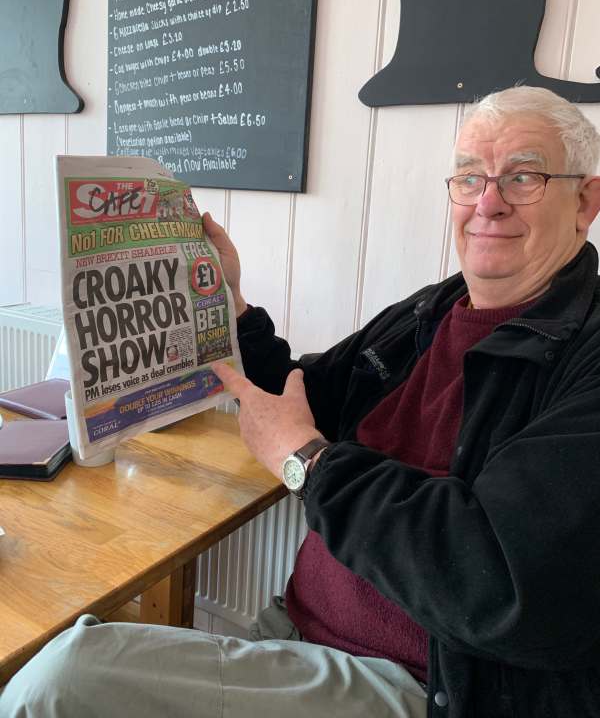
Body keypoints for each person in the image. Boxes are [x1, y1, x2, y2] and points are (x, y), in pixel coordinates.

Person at [2, 85, 600, 718]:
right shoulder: (432, 310)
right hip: (297, 632)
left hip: (422, 685)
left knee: (64, 677)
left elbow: (503, 584)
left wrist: (307, 462)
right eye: (469, 178)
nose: (488, 203)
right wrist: (227, 304)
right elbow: (302, 396)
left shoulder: (584, 360)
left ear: (586, 199)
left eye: (524, 177)